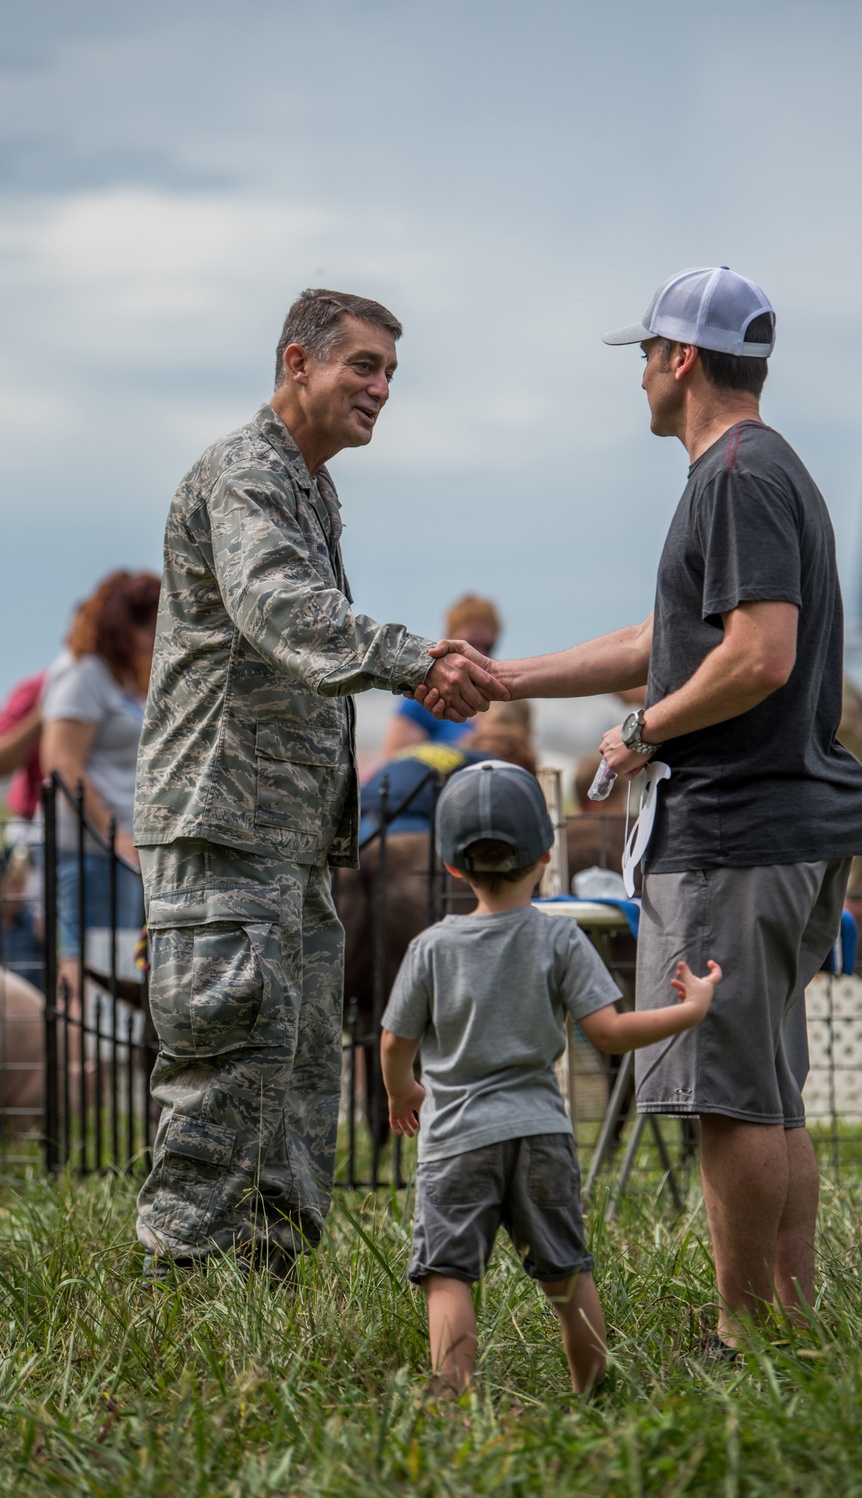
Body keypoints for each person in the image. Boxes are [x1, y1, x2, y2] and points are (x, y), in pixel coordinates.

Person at [418, 267, 862, 1352]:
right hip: (786, 829)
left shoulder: (733, 475)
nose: (637, 376)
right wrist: (512, 676)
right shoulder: (764, 474)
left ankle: (742, 1339)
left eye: (644, 355)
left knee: (731, 1098)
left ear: (680, 360)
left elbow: (757, 655)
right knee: (769, 1090)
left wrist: (641, 733)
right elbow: (661, 637)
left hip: (733, 830)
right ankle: (791, 1339)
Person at [133, 288, 507, 1279]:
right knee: (223, 1075)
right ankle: (180, 1306)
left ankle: (261, 1294)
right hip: (221, 826)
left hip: (285, 840)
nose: (381, 388)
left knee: (294, 1076)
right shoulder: (247, 475)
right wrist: (411, 655)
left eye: (390, 372)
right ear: (297, 361)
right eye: (363, 366)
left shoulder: (307, 486)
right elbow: (277, 608)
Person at [380, 761, 720, 1395]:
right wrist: (689, 1010)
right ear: (545, 852)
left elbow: (394, 1039)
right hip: (541, 1135)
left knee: (448, 1273)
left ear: (452, 866)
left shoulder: (431, 948)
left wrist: (402, 1089)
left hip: (454, 1141)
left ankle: (451, 1398)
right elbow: (612, 1034)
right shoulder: (560, 938)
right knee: (566, 1272)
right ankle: (592, 1390)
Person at [41, 572, 160, 974]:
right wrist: (116, 834)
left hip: (118, 857)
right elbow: (61, 761)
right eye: (143, 625)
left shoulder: (123, 680)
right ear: (118, 624)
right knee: (89, 973)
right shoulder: (84, 672)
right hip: (88, 852)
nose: (151, 637)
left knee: (117, 971)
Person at [380, 595, 502, 757]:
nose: (479, 654)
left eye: (487, 646)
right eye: (471, 644)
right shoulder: (424, 699)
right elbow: (394, 768)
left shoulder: (501, 698)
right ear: (449, 638)